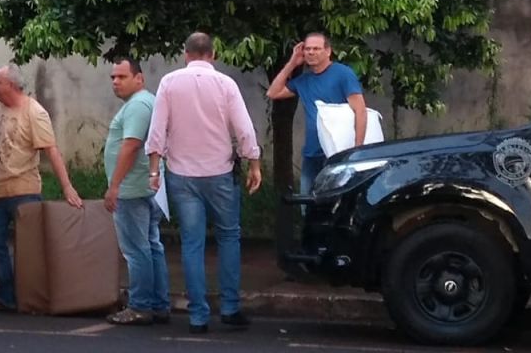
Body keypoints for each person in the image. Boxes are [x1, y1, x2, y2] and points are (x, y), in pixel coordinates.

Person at [146, 32, 262, 334]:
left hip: (182, 174)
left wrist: (154, 171)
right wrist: (254, 163)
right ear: (212, 54)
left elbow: (157, 129)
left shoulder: (169, 83)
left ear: (186, 54)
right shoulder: (226, 84)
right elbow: (244, 128)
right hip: (220, 172)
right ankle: (230, 307)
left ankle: (198, 315)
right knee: (228, 237)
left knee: (192, 243)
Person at [0, 63, 84, 312]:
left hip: (23, 191)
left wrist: (67, 187)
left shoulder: (34, 112)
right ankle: (7, 294)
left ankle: (30, 297)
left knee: (29, 251)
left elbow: (51, 149)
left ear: (12, 86)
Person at [103, 58, 170, 326]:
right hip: (144, 186)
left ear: (139, 79)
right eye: (113, 78)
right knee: (151, 246)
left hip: (132, 189)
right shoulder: (144, 103)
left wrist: (115, 186)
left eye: (121, 77)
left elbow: (130, 146)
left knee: (136, 250)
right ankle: (158, 304)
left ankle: (141, 305)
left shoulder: (139, 105)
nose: (116, 82)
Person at [266, 32, 367, 196]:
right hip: (312, 154)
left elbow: (360, 110)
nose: (311, 52)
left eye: (316, 48)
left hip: (339, 152)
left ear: (328, 51)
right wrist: (292, 63)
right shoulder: (304, 80)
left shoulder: (343, 74)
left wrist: (358, 149)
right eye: (307, 49)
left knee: (336, 204)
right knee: (308, 205)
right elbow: (273, 93)